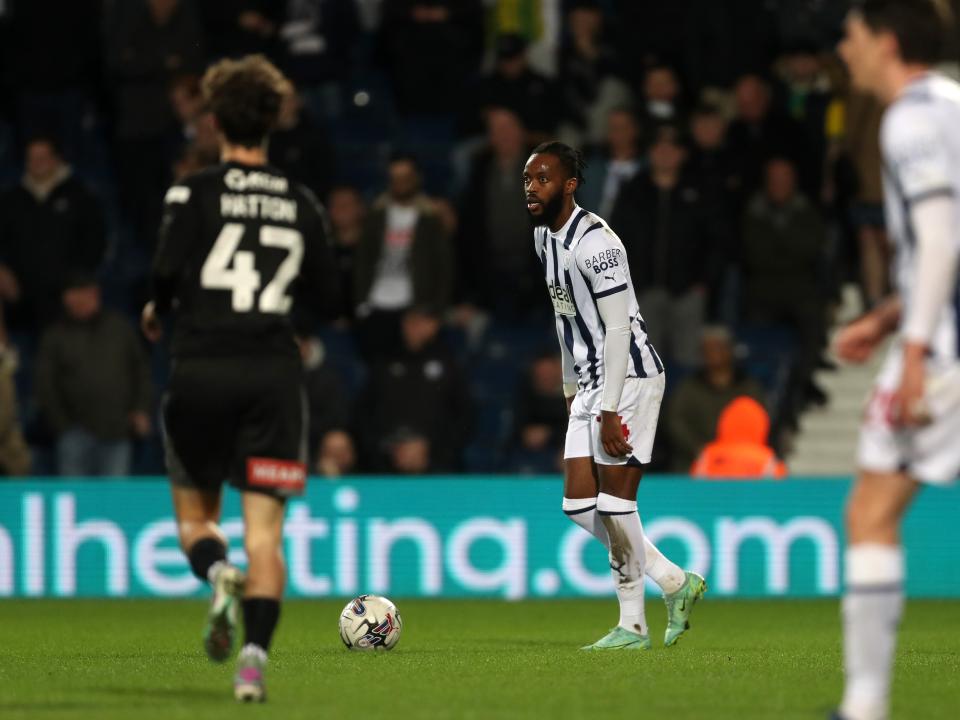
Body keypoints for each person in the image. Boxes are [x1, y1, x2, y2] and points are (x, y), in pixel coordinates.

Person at [141, 54, 338, 702]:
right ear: (273, 120)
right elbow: (330, 299)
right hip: (272, 379)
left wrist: (156, 311)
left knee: (197, 521)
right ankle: (253, 661)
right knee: (267, 536)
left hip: (200, 370)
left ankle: (217, 571)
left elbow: (165, 280)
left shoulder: (190, 192)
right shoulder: (302, 203)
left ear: (216, 119)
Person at [523, 141, 705, 651]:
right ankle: (673, 580)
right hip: (587, 382)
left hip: (630, 379)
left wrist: (607, 408)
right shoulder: (543, 239)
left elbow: (620, 329)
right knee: (579, 505)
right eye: (527, 180)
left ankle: (632, 626)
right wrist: (569, 388)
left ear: (570, 184)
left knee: (615, 503)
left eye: (542, 179)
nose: (532, 189)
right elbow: (565, 317)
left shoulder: (598, 244)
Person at [834, 3, 960, 720]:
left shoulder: (908, 120)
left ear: (884, 42)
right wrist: (884, 317)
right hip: (934, 327)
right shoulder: (953, 107)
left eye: (850, 37)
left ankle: (865, 706)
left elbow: (941, 238)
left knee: (872, 512)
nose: (843, 51)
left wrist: (910, 348)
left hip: (943, 347)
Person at [35, 276, 153, 477]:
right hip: (74, 434)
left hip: (116, 431)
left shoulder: (119, 328)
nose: (82, 300)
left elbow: (140, 372)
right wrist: (63, 426)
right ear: (66, 299)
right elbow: (45, 386)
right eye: (76, 294)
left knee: (115, 500)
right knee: (75, 500)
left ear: (96, 294)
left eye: (87, 293)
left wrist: (140, 408)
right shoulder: (55, 335)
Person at [0, 136, 107, 334]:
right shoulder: (11, 199)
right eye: (32, 158)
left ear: (56, 159)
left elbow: (95, 243)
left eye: (43, 156)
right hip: (20, 298)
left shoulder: (80, 195)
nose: (37, 163)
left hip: (66, 296)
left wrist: (76, 283)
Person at [353, 154, 453, 358]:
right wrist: (360, 303)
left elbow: (444, 268)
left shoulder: (430, 217)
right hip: (375, 307)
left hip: (414, 308)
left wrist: (436, 314)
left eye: (406, 176)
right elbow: (362, 261)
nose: (400, 183)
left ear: (417, 178)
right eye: (395, 177)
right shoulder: (376, 214)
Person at [668, 326, 766, 472]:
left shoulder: (748, 387)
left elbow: (759, 421)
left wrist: (734, 453)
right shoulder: (688, 387)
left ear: (729, 350)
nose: (712, 353)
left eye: (718, 347)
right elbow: (674, 421)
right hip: (693, 464)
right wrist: (697, 448)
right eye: (707, 349)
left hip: (740, 465)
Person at [689, 396, 786, 479]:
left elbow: (692, 485)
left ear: (724, 423)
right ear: (762, 425)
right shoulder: (767, 459)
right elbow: (781, 486)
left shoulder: (707, 455)